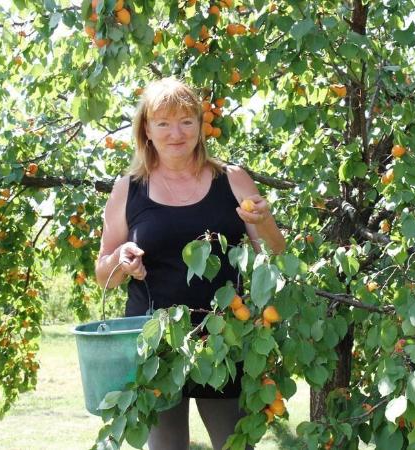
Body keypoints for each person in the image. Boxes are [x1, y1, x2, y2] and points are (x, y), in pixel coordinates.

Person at [95, 77, 285, 450]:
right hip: (155, 346)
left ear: (201, 126)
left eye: (186, 121)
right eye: (163, 123)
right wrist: (121, 259)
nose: (175, 133)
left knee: (235, 445)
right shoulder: (129, 189)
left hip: (225, 341)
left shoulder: (232, 180)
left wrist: (264, 223)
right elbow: (104, 272)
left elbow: (275, 258)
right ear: (146, 130)